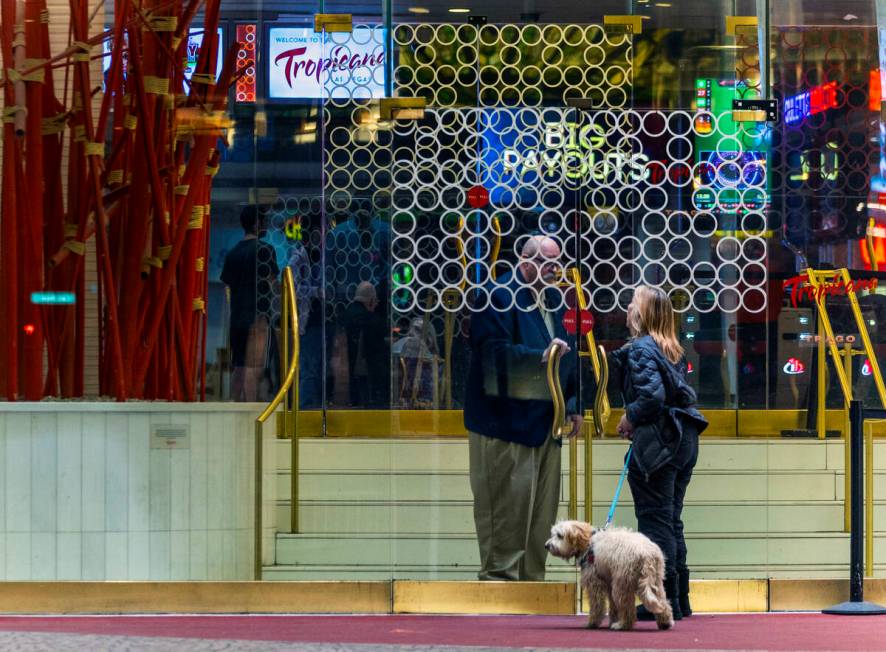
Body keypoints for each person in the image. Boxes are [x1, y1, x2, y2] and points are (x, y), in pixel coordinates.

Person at [463, 235, 583, 581]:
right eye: (547, 263)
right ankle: (501, 583)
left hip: (546, 421)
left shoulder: (555, 299)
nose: (554, 271)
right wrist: (539, 359)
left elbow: (568, 355)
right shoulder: (496, 295)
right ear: (525, 261)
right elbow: (491, 355)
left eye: (557, 264)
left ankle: (532, 583)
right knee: (506, 512)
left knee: (541, 518)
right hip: (505, 424)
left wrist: (573, 404)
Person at [612, 285, 708, 620]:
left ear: (642, 314)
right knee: (671, 520)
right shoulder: (672, 349)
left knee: (655, 523)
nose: (627, 308)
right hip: (682, 439)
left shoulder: (640, 348)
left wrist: (629, 417)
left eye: (632, 304)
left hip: (659, 444)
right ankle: (678, 601)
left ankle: (659, 601)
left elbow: (651, 398)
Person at [221, 205, 280, 401]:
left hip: (237, 317)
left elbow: (227, 288)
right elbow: (274, 284)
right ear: (257, 224)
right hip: (258, 316)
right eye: (264, 222)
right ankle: (251, 414)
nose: (266, 226)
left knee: (238, 367)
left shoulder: (232, 254)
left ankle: (233, 409)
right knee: (254, 367)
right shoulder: (265, 250)